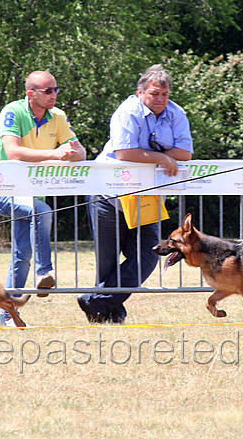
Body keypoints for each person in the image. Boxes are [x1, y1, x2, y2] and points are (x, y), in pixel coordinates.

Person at [77, 65, 193, 323]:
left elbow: (185, 153)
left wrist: (151, 158)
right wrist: (162, 158)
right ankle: (110, 312)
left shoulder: (176, 113)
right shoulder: (127, 112)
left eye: (165, 94)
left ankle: (93, 300)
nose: (160, 99)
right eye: (154, 94)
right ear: (140, 92)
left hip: (146, 196)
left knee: (148, 255)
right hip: (108, 194)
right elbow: (124, 153)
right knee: (107, 262)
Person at [0, 70, 86, 324]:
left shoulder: (58, 117)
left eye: (55, 89)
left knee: (22, 256)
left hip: (34, 195)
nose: (54, 95)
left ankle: (6, 314)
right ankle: (45, 272)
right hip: (4, 191)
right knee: (42, 212)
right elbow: (12, 152)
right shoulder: (12, 111)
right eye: (48, 91)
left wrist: (71, 153)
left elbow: (81, 153)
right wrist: (55, 154)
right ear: (31, 94)